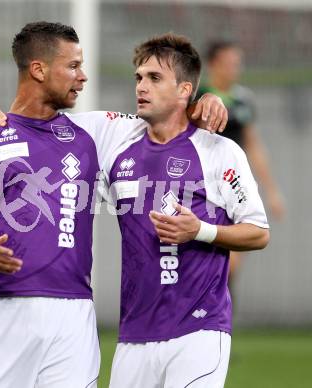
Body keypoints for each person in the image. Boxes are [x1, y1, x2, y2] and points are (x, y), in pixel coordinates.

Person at [0, 22, 226, 388]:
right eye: (73, 66)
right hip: (1, 308)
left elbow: (170, 117)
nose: (83, 76)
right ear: (39, 70)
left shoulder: (93, 131)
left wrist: (205, 102)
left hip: (74, 317)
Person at [101, 33, 270, 387]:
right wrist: (1, 124)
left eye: (154, 78)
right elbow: (52, 128)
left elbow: (257, 232)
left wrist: (201, 231)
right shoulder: (117, 142)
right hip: (134, 335)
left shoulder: (220, 152)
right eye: (139, 77)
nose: (141, 86)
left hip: (199, 332)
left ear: (184, 90)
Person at [197, 41, 284, 287]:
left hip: (233, 188)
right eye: (229, 63)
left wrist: (272, 191)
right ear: (213, 64)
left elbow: (253, 145)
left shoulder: (243, 99)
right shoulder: (197, 97)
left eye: (237, 63)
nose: (235, 69)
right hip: (202, 187)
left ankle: (220, 317)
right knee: (200, 261)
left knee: (230, 264)